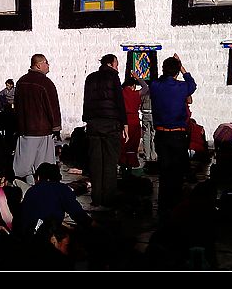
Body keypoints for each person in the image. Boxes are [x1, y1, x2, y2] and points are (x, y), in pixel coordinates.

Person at [148, 53, 196, 218]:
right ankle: (175, 206)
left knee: (164, 172)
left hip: (161, 134)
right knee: (177, 172)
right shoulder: (182, 87)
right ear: (176, 72)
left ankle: (163, 206)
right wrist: (181, 67)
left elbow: (154, 78)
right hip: (178, 135)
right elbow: (192, 84)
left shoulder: (155, 86)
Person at [82, 54, 128, 209]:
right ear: (110, 64)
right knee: (110, 162)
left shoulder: (90, 78)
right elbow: (119, 102)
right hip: (111, 124)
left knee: (95, 163)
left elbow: (86, 101)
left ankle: (96, 197)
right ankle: (108, 198)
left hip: (93, 124)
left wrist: (87, 119)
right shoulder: (113, 77)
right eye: (116, 64)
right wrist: (124, 123)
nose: (117, 67)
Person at [13, 54, 62, 186]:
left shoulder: (21, 82)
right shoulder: (45, 83)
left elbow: (17, 106)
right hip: (42, 130)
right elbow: (52, 107)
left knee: (24, 161)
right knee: (43, 162)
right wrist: (56, 127)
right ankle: (41, 187)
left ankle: (27, 185)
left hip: (25, 129)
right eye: (46, 62)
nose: (48, 65)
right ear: (39, 65)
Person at [16, 162, 93, 236]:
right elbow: (78, 214)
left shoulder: (31, 191)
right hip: (47, 233)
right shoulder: (62, 189)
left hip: (28, 233)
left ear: (38, 177)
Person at [120, 72, 149, 175]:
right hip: (135, 121)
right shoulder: (136, 94)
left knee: (123, 144)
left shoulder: (120, 93)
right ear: (133, 86)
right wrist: (138, 78)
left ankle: (122, 166)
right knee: (132, 145)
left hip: (123, 121)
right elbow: (145, 87)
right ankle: (130, 167)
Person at [140, 80, 156, 162]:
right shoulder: (156, 93)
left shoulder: (144, 93)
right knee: (154, 135)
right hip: (154, 115)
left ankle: (147, 155)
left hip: (145, 114)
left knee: (146, 135)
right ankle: (154, 154)